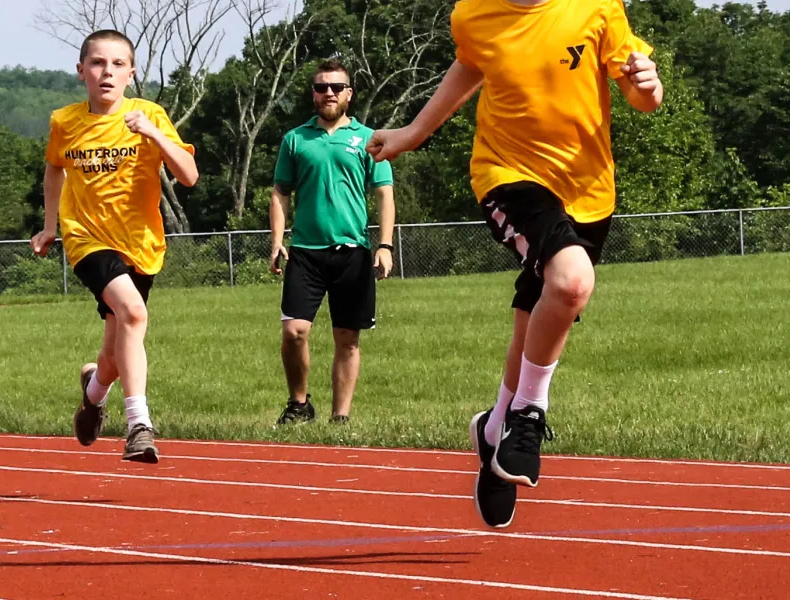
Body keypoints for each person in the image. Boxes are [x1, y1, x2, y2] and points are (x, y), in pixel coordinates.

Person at [367, 0, 663, 528]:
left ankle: (496, 426)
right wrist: (414, 132)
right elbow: (471, 65)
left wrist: (647, 84)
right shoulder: (474, 13)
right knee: (572, 283)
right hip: (507, 175)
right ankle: (528, 415)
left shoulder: (597, 7)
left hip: (590, 192)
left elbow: (641, 97)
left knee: (538, 318)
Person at [31, 29, 198, 463]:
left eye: (118, 64)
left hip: (141, 243)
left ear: (131, 72)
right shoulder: (64, 122)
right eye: (98, 63)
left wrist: (154, 136)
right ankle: (139, 424)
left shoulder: (150, 114)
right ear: (81, 71)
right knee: (134, 313)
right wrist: (51, 226)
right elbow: (54, 171)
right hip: (87, 238)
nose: (107, 72)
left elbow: (189, 175)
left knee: (113, 350)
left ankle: (93, 392)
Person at [269, 59, 396, 426]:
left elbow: (384, 194)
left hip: (352, 252)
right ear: (313, 93)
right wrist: (277, 241)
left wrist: (384, 245)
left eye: (336, 87)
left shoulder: (369, 139)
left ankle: (340, 417)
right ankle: (299, 404)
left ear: (349, 94)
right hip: (306, 252)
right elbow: (280, 192)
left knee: (347, 337)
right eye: (322, 87)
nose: (328, 93)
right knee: (294, 332)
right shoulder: (296, 139)